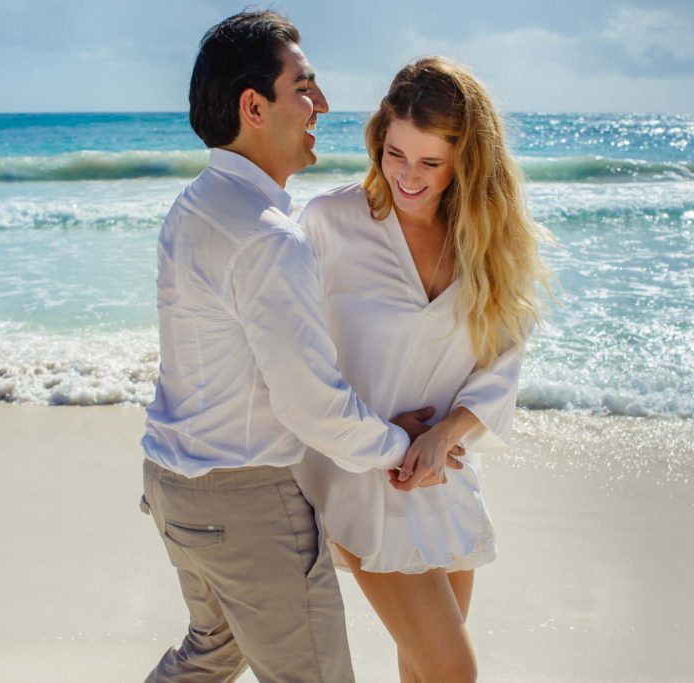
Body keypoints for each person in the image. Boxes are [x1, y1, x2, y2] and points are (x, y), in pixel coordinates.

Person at [138, 13, 462, 683]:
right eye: (304, 87)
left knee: (209, 653)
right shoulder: (267, 238)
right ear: (253, 107)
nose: (323, 104)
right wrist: (399, 447)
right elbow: (311, 405)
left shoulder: (196, 203)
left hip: (173, 486)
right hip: (246, 503)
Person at [293, 56, 553, 683]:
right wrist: (383, 437)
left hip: (444, 476)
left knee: (423, 675)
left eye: (431, 163)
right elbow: (295, 356)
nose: (408, 177)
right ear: (378, 141)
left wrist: (445, 435)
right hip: (363, 476)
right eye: (395, 154)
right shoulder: (330, 223)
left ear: (467, 161)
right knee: (453, 672)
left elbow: (503, 356)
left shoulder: (489, 240)